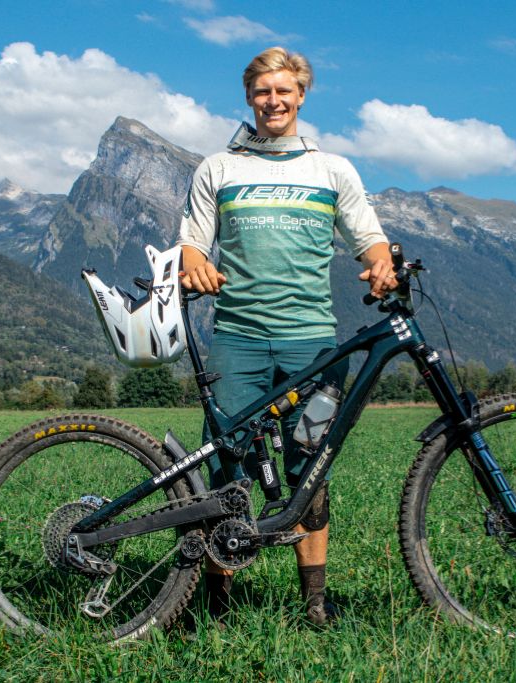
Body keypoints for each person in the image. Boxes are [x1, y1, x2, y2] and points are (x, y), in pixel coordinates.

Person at [177, 46, 396, 626]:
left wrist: (379, 264)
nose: (273, 101)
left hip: (312, 342)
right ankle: (215, 603)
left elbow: (368, 238)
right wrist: (194, 263)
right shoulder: (218, 169)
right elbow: (193, 244)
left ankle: (315, 606)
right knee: (226, 470)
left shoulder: (332, 170)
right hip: (238, 339)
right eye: (262, 92)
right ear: (249, 98)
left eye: (284, 91)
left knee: (310, 469)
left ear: (301, 95)